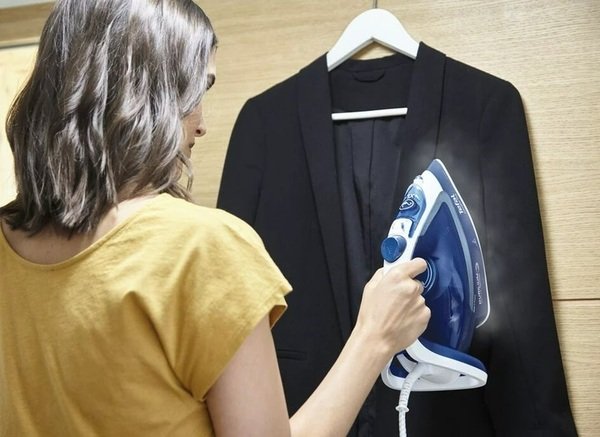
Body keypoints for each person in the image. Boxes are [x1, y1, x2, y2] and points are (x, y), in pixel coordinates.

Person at [0, 1, 430, 436]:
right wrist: (373, 337)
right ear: (150, 96)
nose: (201, 124)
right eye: (197, 91)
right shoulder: (200, 249)